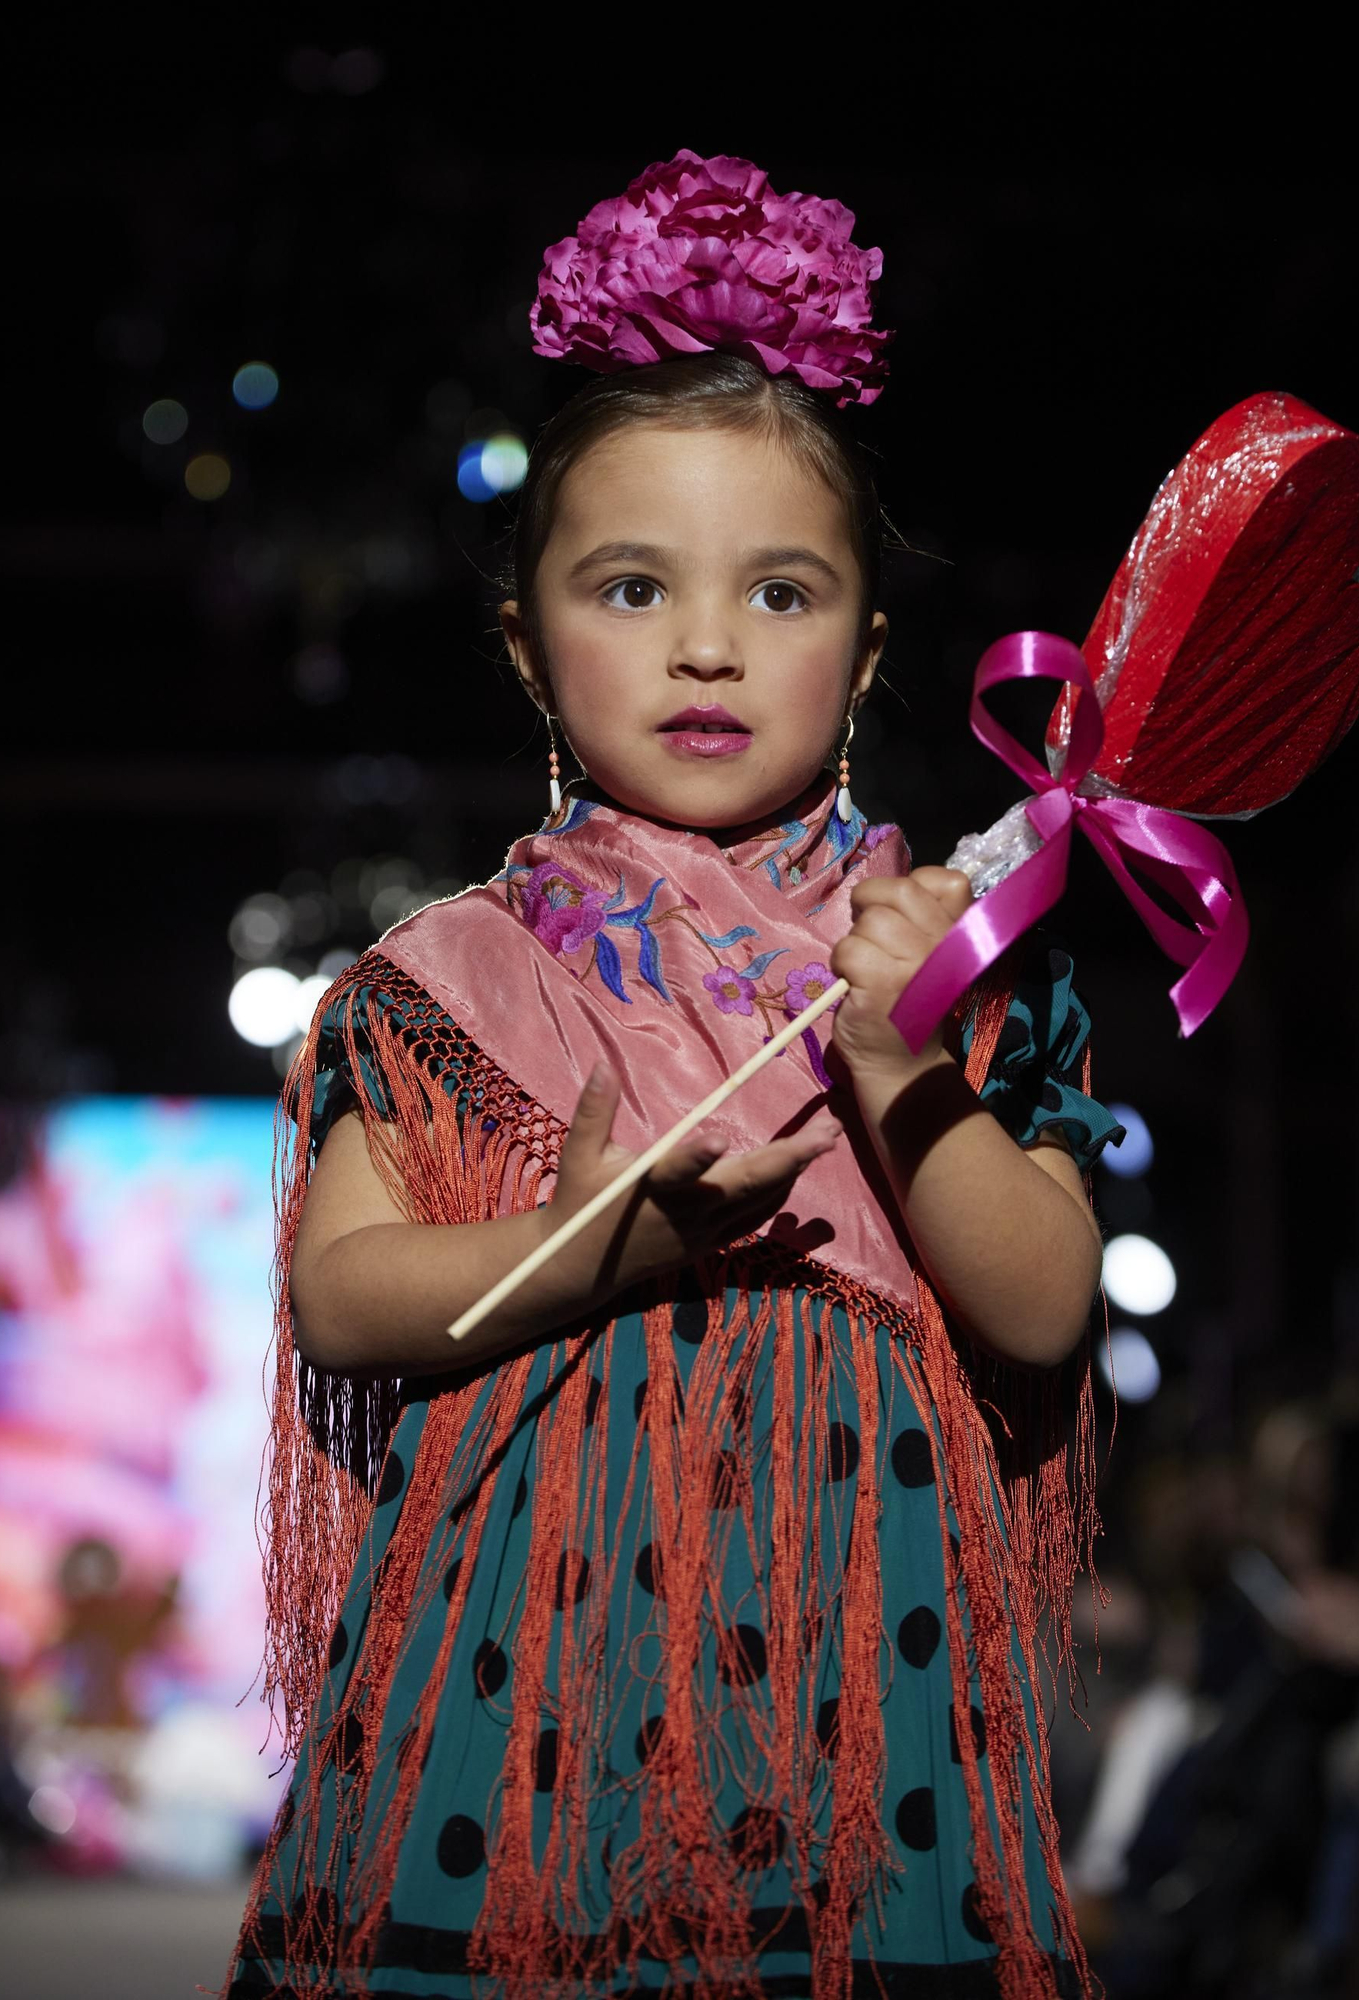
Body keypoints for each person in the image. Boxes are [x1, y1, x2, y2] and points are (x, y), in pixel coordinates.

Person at [224, 149, 1125, 2000]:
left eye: (781, 594)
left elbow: (1041, 1312)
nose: (708, 643)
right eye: (632, 588)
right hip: (518, 1683)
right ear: (526, 647)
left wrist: (895, 1062)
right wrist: (590, 1245)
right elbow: (341, 1295)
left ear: (869, 651)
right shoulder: (444, 983)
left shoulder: (947, 962)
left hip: (859, 1671)